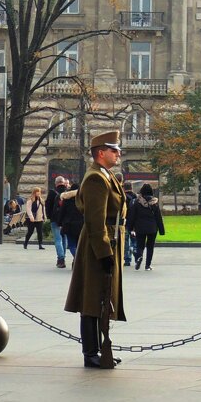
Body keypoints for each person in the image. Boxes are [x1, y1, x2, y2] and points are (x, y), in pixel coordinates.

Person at [64, 131, 127, 368]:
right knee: (91, 300)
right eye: (114, 150)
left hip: (109, 240)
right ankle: (90, 352)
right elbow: (95, 220)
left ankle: (98, 349)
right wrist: (104, 253)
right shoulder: (95, 179)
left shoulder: (105, 175)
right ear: (101, 152)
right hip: (97, 244)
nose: (118, 153)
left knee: (101, 298)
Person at [126, 183, 165, 270]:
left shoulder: (137, 202)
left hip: (140, 227)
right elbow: (158, 217)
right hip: (152, 228)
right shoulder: (154, 203)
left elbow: (132, 216)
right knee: (150, 247)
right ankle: (147, 265)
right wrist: (161, 230)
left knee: (140, 245)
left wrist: (130, 227)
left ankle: (139, 256)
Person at [46, 177, 69, 268]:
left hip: (55, 220)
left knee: (58, 239)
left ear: (56, 183)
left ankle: (61, 259)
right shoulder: (68, 192)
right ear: (63, 183)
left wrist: (49, 217)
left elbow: (48, 206)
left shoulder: (52, 193)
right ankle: (63, 257)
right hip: (66, 220)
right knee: (64, 239)